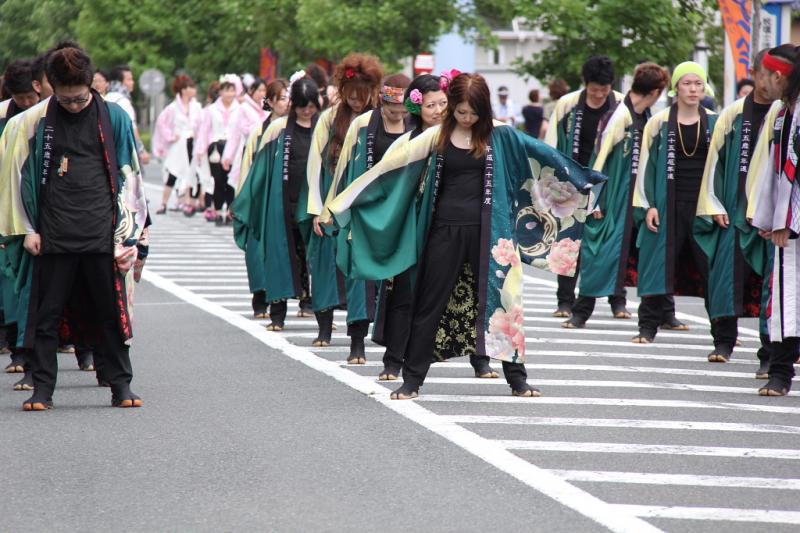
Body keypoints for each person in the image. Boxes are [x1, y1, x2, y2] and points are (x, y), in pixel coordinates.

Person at [326, 73, 605, 400]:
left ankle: (517, 379)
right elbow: (391, 166)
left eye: (473, 113)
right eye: (460, 112)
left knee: (506, 304)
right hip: (443, 232)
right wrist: (343, 201)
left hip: (493, 237)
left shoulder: (501, 135)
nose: (467, 118)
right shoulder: (437, 136)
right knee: (428, 304)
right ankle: (412, 379)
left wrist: (587, 192)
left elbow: (545, 158)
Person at [0, 42, 148, 411]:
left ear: (91, 87)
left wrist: (130, 237)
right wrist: (27, 229)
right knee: (44, 317)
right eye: (65, 100)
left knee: (109, 315)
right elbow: (12, 181)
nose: (74, 105)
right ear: (49, 87)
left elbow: (131, 178)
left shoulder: (113, 117)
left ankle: (120, 385)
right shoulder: (31, 122)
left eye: (80, 98)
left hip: (101, 232)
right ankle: (43, 389)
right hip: (52, 234)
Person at [566, 63, 674, 330]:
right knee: (601, 251)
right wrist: (596, 201)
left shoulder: (647, 115)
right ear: (657, 92)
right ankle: (581, 311)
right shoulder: (619, 115)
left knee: (655, 250)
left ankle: (665, 313)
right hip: (615, 196)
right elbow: (598, 161)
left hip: (640, 196)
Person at [695, 49, 781, 369]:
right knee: (726, 279)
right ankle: (723, 342)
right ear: (755, 73)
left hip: (772, 214)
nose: (772, 81)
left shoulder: (786, 113)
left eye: (778, 75)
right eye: (766, 74)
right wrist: (713, 203)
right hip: (733, 210)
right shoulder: (733, 114)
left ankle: (769, 353)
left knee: (770, 287)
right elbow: (713, 163)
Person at [632, 61, 717, 344]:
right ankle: (647, 328)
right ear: (676, 88)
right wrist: (649, 205)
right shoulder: (659, 122)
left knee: (712, 269)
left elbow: (724, 170)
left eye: (698, 84)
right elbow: (645, 167)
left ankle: (723, 334)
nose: (693, 89)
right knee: (658, 265)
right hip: (668, 203)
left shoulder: (716, 122)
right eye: (686, 83)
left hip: (704, 206)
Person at [307, 53, 384, 358]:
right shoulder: (329, 118)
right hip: (332, 198)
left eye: (360, 96)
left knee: (360, 273)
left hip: (366, 202)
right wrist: (316, 208)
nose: (355, 101)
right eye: (349, 96)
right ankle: (324, 328)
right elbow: (315, 163)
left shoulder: (379, 118)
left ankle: (358, 341)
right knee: (325, 265)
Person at [232, 77, 320, 335]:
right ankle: (277, 314)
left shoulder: (323, 127)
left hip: (311, 203)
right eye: (302, 105)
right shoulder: (277, 128)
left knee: (310, 256)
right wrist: (246, 201)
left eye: (311, 105)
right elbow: (259, 169)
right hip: (280, 203)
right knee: (279, 257)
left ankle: (312, 305)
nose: (306, 111)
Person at [544, 56, 626, 319]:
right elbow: (552, 143)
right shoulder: (568, 104)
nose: (600, 94)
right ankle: (564, 300)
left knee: (611, 241)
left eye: (604, 89)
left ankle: (618, 300)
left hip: (607, 183)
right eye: (594, 89)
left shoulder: (621, 105)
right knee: (568, 241)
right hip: (572, 179)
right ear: (585, 84)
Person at [747, 44, 800, 395]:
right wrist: (769, 214)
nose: (761, 83)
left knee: (788, 295)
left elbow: (793, 168)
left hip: (794, 222)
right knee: (785, 297)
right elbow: (774, 170)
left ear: (778, 75)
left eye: (764, 75)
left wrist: (784, 219)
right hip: (790, 222)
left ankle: (781, 372)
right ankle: (780, 371)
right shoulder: (783, 112)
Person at [234, 78, 290, 319]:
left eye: (288, 97)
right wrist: (242, 198)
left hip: (285, 196)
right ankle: (260, 298)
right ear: (270, 102)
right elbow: (247, 165)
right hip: (260, 194)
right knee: (257, 250)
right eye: (281, 98)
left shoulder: (296, 128)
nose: (286, 103)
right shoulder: (260, 130)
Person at [152, 74, 202, 215]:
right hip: (179, 144)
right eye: (191, 87)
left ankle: (187, 203)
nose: (194, 90)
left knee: (191, 173)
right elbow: (161, 123)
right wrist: (170, 136)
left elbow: (202, 124)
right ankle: (164, 203)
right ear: (184, 90)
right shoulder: (173, 108)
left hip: (192, 142)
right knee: (173, 173)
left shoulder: (197, 106)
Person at [195, 75, 241, 225]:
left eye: (232, 91)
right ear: (220, 92)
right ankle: (218, 211)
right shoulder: (212, 110)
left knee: (232, 181)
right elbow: (204, 130)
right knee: (218, 181)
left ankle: (230, 212)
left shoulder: (239, 109)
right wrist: (200, 150)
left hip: (234, 149)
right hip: (216, 148)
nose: (229, 94)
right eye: (226, 91)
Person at [222, 77, 269, 193]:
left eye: (264, 90)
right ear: (252, 90)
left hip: (265, 150)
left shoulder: (267, 107)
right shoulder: (244, 108)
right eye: (259, 90)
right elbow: (236, 134)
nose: (262, 93)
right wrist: (228, 156)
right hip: (248, 148)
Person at [106, 65, 150, 165]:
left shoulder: (106, 98)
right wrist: (142, 151)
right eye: (129, 79)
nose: (132, 82)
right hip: (123, 153)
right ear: (120, 82)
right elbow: (132, 129)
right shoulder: (123, 102)